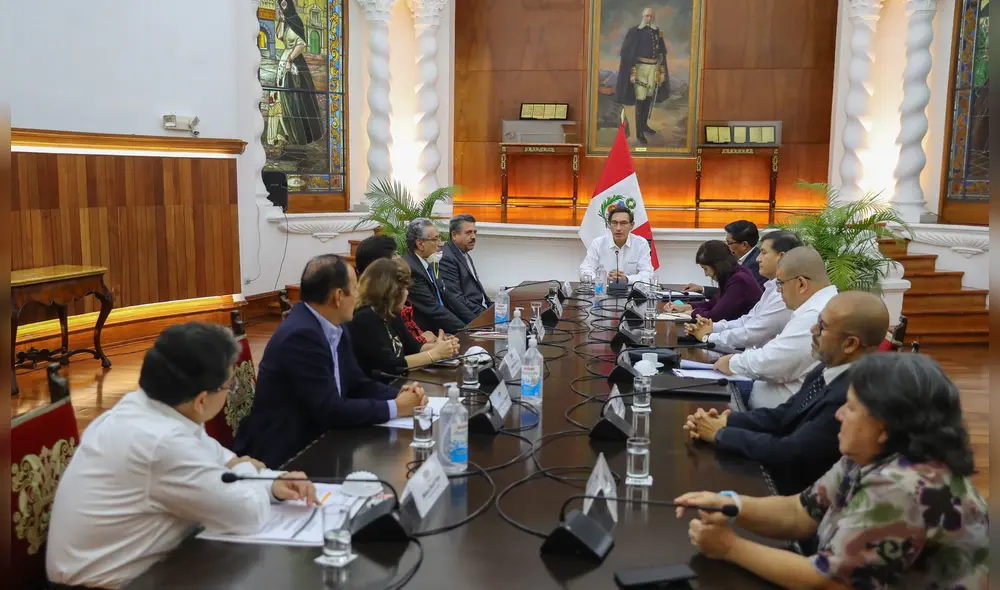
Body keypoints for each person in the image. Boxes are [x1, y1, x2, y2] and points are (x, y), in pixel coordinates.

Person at [675, 353, 988, 589]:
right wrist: (730, 505)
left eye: (851, 408)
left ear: (884, 426)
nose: (838, 414)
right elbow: (800, 512)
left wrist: (730, 547)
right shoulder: (869, 454)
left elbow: (829, 582)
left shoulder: (903, 485)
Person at [46, 323, 318, 589]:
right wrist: (247, 470)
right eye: (229, 387)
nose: (230, 393)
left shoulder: (148, 407)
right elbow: (247, 515)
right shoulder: (161, 443)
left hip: (149, 570)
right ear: (201, 401)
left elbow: (219, 457)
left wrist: (272, 482)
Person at [683, 291, 890, 495]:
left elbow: (791, 452)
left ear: (850, 344)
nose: (813, 329)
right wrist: (726, 421)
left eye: (823, 327)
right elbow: (783, 415)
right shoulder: (828, 368)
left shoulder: (851, 397)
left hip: (798, 493)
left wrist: (721, 434)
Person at [234, 254, 428, 467]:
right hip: (292, 452)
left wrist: (401, 394)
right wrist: (396, 407)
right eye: (355, 289)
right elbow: (329, 410)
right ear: (337, 296)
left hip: (325, 437)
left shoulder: (335, 326)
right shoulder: (300, 336)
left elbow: (357, 384)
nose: (358, 296)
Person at [713, 246, 838, 409]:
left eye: (780, 284)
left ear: (801, 284)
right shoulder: (820, 304)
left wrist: (731, 362)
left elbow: (772, 363)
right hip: (767, 393)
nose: (779, 291)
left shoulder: (814, 314)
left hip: (775, 409)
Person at [683, 230, 801, 350]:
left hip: (755, 357)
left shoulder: (785, 295)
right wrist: (712, 327)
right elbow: (746, 321)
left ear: (781, 257)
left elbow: (752, 333)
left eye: (763, 253)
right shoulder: (772, 287)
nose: (758, 259)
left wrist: (708, 336)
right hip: (749, 353)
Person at [347, 258, 460, 382]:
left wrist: (440, 347)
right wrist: (434, 355)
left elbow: (415, 348)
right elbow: (389, 366)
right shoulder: (365, 318)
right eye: (404, 289)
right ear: (391, 292)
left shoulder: (391, 313)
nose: (407, 293)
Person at [354, 234, 438, 345]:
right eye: (394, 255)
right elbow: (395, 355)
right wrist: (427, 344)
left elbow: (413, 343)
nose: (398, 259)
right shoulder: (367, 312)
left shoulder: (390, 301)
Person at [402, 218, 476, 334]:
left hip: (445, 324)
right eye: (435, 239)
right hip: (429, 332)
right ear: (420, 244)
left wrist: (475, 323)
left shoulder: (429, 261)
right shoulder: (412, 270)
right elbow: (434, 309)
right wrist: (466, 331)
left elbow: (449, 297)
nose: (440, 244)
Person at [666, 240, 762, 322]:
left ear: (717, 265)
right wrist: (687, 306)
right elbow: (714, 304)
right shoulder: (733, 274)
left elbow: (716, 316)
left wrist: (692, 313)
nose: (706, 274)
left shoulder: (739, 280)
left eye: (706, 269)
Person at [614, 7, 669, 144]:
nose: (649, 19)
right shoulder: (635, 32)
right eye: (646, 16)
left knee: (649, 98)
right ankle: (638, 132)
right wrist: (632, 73)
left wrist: (661, 72)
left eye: (651, 16)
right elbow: (629, 54)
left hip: (653, 69)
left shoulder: (657, 33)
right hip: (640, 69)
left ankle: (644, 125)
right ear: (643, 17)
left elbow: (662, 54)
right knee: (640, 98)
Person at [684, 220, 765, 295]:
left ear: (744, 245)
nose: (727, 246)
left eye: (729, 243)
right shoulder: (745, 259)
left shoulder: (755, 264)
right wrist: (702, 289)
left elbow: (734, 293)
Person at [579, 205, 654, 285]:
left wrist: (626, 279)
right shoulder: (598, 244)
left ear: (632, 225)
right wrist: (604, 279)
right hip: (604, 292)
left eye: (623, 223)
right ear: (609, 225)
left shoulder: (641, 244)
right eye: (614, 223)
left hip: (632, 294)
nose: (618, 228)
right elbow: (584, 271)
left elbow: (648, 275)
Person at [440, 214, 492, 318]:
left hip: (480, 310)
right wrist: (485, 314)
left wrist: (494, 308)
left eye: (474, 232)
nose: (473, 237)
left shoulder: (464, 253)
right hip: (469, 317)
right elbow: (457, 299)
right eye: (468, 233)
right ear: (454, 235)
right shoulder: (447, 258)